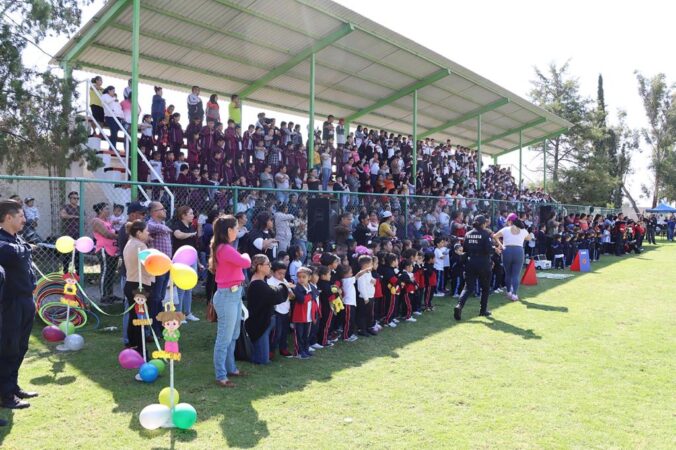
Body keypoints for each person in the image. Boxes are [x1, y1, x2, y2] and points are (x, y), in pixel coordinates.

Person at [0, 200, 38, 409]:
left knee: (21, 346)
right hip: (10, 302)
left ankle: (12, 386)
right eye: (21, 216)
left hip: (25, 299)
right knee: (9, 347)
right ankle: (6, 395)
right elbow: (13, 253)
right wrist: (25, 248)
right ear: (8, 217)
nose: (25, 219)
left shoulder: (17, 238)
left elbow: (22, 252)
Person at [211, 216, 251, 387]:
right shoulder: (225, 249)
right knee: (224, 338)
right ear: (229, 230)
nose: (238, 231)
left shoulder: (224, 247)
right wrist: (247, 254)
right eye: (236, 228)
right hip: (227, 296)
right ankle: (221, 375)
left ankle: (231, 368)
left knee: (233, 335)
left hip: (233, 295)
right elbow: (245, 262)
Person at [246, 255, 290, 365]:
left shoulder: (261, 281)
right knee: (262, 360)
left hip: (264, 322)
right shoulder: (257, 284)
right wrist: (284, 286)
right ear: (260, 267)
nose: (270, 266)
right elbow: (275, 295)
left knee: (263, 357)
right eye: (268, 264)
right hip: (260, 324)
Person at [117, 202, 147, 346]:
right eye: (142, 214)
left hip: (134, 275)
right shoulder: (129, 232)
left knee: (136, 310)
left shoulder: (135, 237)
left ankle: (136, 338)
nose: (143, 217)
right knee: (130, 309)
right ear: (133, 214)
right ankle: (129, 340)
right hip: (131, 275)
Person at [454, 215, 494, 321]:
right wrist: (494, 248)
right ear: (483, 223)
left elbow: (465, 249)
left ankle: (459, 306)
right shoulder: (486, 234)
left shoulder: (468, 234)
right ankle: (483, 310)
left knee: (468, 287)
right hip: (484, 263)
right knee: (485, 288)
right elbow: (489, 250)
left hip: (470, 263)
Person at [122, 220, 154, 352]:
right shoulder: (141, 246)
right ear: (139, 233)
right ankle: (141, 350)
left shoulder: (130, 243)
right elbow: (148, 267)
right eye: (146, 231)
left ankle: (133, 345)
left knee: (133, 317)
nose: (148, 233)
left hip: (131, 283)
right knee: (139, 319)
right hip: (139, 285)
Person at [170, 206, 200, 322]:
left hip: (192, 260)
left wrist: (198, 262)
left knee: (189, 287)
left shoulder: (191, 227)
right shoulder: (177, 225)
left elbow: (193, 248)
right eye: (190, 213)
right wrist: (191, 234)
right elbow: (178, 235)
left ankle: (187, 313)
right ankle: (179, 314)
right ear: (183, 215)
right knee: (181, 288)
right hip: (181, 261)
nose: (193, 216)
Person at [147, 201, 172, 335]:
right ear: (154, 212)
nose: (165, 211)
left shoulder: (162, 225)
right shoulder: (151, 225)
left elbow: (164, 229)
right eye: (162, 209)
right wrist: (165, 229)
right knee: (155, 297)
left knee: (160, 296)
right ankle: (154, 328)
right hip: (157, 266)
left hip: (166, 265)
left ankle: (159, 325)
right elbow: (151, 227)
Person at [492, 213, 531, 301]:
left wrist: (501, 245)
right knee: (516, 275)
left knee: (508, 273)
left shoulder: (505, 229)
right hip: (519, 251)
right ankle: (514, 294)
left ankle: (509, 292)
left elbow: (495, 236)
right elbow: (529, 238)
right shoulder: (523, 230)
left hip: (507, 250)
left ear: (510, 221)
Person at [91, 202, 119, 303]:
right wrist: (120, 237)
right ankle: (103, 296)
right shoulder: (96, 221)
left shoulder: (108, 221)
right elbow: (107, 234)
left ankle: (110, 294)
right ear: (100, 211)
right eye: (106, 209)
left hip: (113, 249)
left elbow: (114, 232)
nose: (108, 211)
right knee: (105, 271)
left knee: (111, 272)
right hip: (103, 249)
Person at [268, 260, 294, 358]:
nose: (282, 276)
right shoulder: (270, 282)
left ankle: (283, 348)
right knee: (276, 332)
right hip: (277, 310)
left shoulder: (284, 281)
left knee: (284, 332)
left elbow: (291, 296)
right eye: (279, 273)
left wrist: (291, 293)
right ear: (273, 272)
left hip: (286, 310)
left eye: (284, 273)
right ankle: (271, 350)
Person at [60, 191, 80, 273]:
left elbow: (84, 218)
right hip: (67, 234)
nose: (76, 200)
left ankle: (78, 273)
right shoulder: (66, 207)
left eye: (77, 198)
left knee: (77, 255)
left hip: (77, 234)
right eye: (74, 198)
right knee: (66, 255)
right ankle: (65, 272)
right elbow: (63, 215)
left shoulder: (79, 208)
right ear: (70, 199)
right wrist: (74, 217)